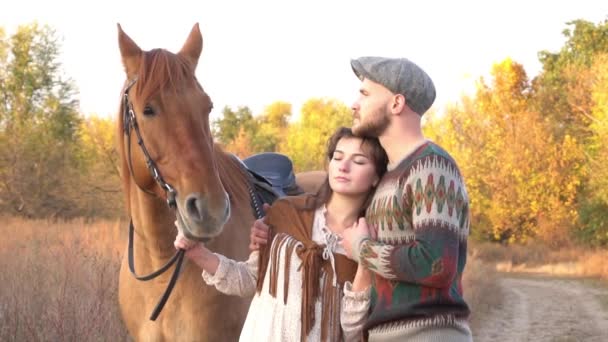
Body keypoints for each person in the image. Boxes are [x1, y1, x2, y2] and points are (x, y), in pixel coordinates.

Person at [174, 126, 389, 341]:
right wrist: (198, 253)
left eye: (359, 161)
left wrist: (364, 259)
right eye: (337, 157)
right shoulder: (286, 212)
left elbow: (352, 333)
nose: (343, 166)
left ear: (376, 177)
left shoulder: (371, 242)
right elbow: (249, 280)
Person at [339, 57, 473, 341]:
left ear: (396, 104)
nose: (354, 104)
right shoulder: (388, 176)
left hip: (428, 333)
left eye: (365, 94)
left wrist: (362, 249)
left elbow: (436, 264)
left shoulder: (431, 166)